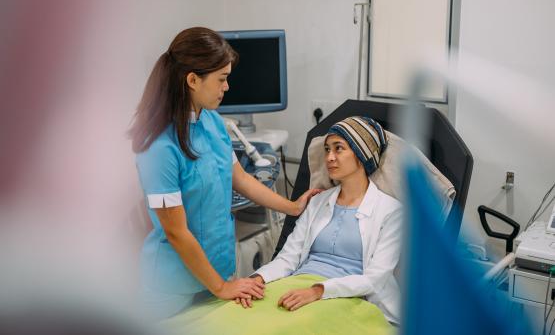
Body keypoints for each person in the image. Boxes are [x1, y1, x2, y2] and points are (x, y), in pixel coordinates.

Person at [128, 27, 320, 319]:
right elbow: (176, 232)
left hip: (219, 273)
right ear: (192, 80)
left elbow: (240, 178)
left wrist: (292, 207)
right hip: (171, 290)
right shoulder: (158, 147)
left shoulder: (214, 124)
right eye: (222, 79)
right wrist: (220, 288)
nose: (227, 87)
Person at [248, 116, 403, 324]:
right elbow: (288, 257)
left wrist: (318, 291)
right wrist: (256, 279)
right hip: (297, 286)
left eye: (339, 149)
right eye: (327, 149)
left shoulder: (391, 211)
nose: (330, 157)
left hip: (348, 296)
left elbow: (375, 279)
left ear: (361, 154)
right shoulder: (318, 201)